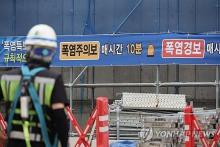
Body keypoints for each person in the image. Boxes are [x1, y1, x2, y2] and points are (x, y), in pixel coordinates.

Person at [0, 24, 69, 147]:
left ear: (27, 49)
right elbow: (60, 119)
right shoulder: (53, 80)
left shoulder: (6, 78)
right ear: (53, 52)